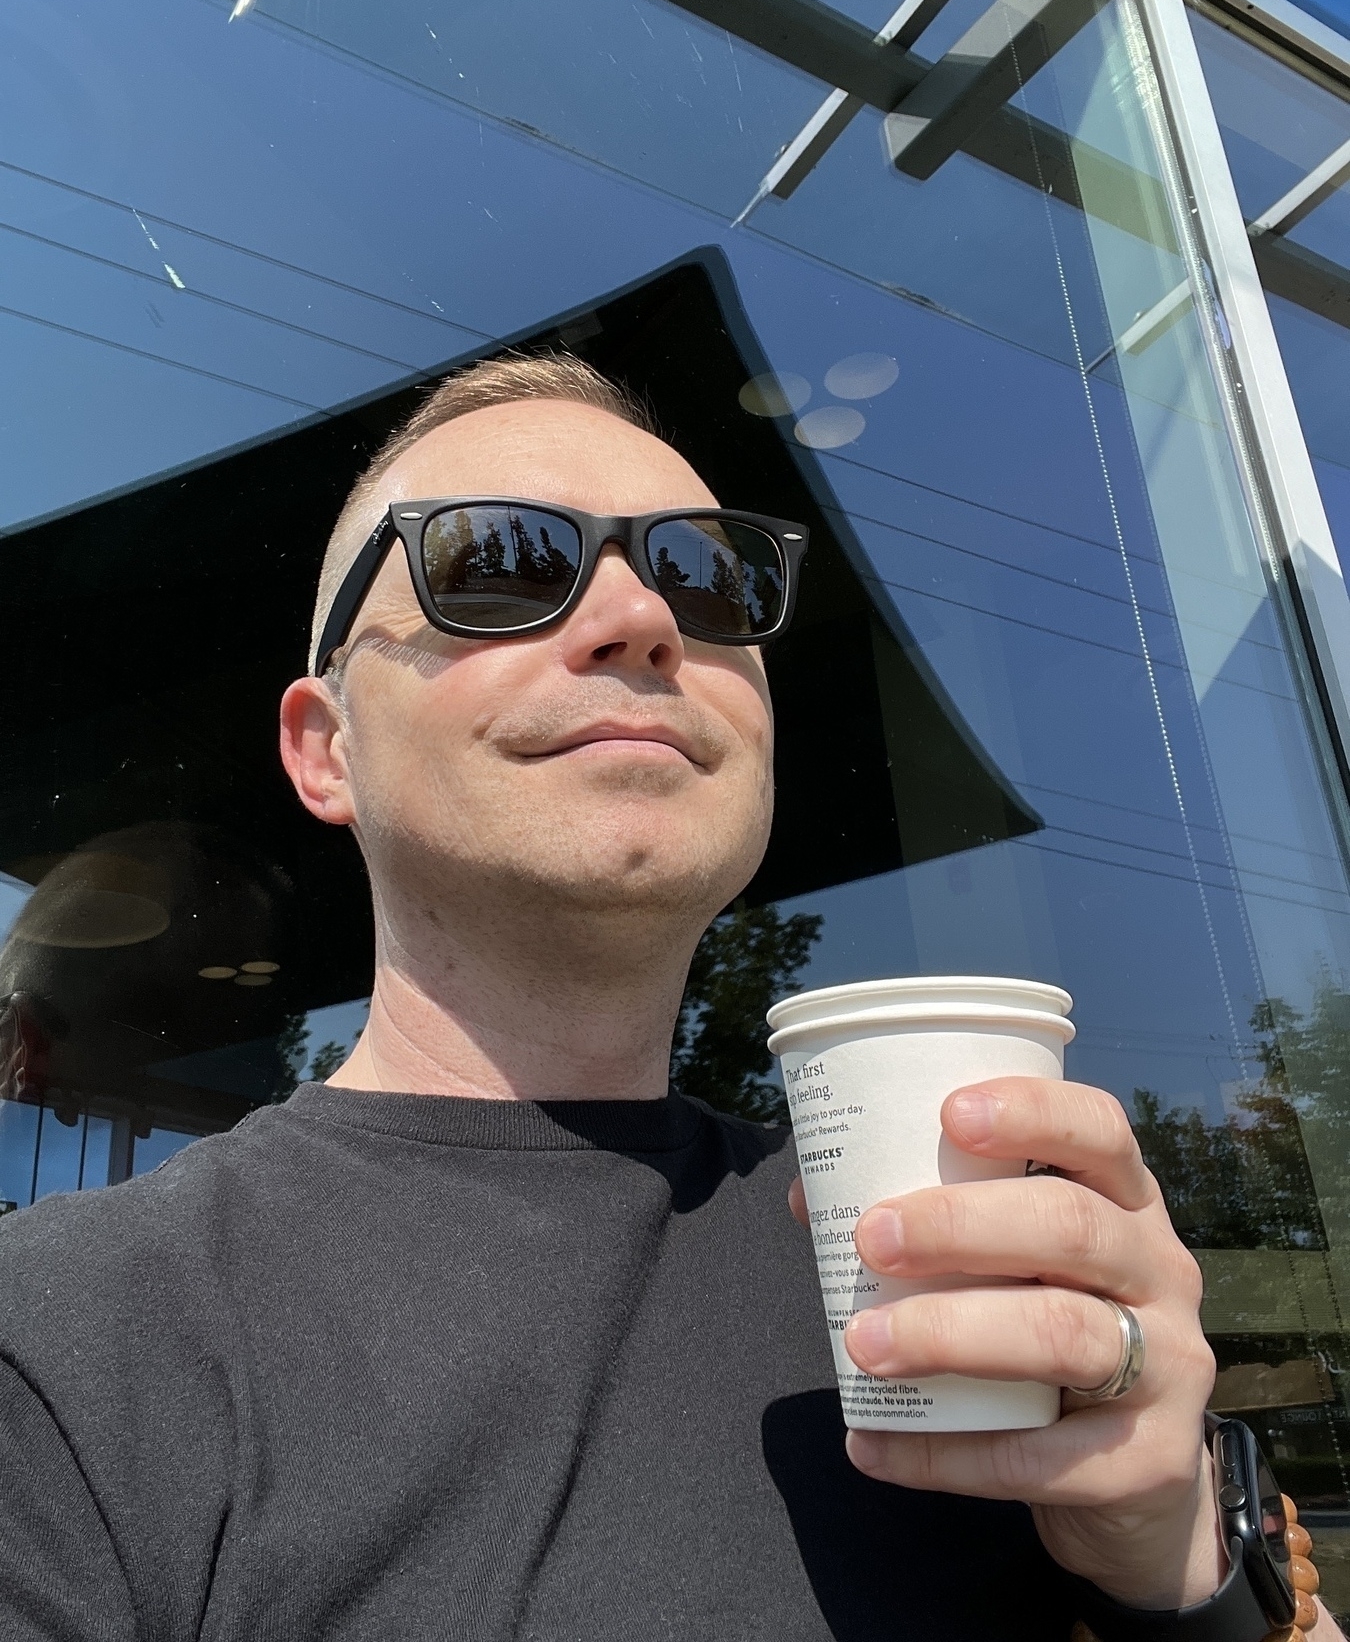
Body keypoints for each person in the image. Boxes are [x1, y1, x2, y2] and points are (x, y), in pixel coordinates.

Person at [0, 355, 1337, 1641]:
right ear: (325, 746)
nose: (643, 618)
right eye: (499, 562)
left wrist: (1176, 1570)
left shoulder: (938, 1249)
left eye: (706, 577)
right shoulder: (64, 1341)